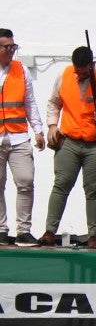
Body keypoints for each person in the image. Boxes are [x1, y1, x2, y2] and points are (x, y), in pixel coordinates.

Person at [41, 46, 96, 249]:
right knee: (61, 184)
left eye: (83, 72)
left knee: (93, 190)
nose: (79, 75)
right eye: (76, 71)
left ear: (91, 65)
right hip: (69, 141)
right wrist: (52, 125)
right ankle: (49, 232)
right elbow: (54, 103)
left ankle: (93, 236)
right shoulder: (64, 75)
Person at [0, 27, 45, 247]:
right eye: (7, 47)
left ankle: (23, 231)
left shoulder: (21, 70)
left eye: (13, 46)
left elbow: (30, 102)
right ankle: (1, 229)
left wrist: (38, 130)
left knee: (26, 181)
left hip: (18, 136)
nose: (11, 50)